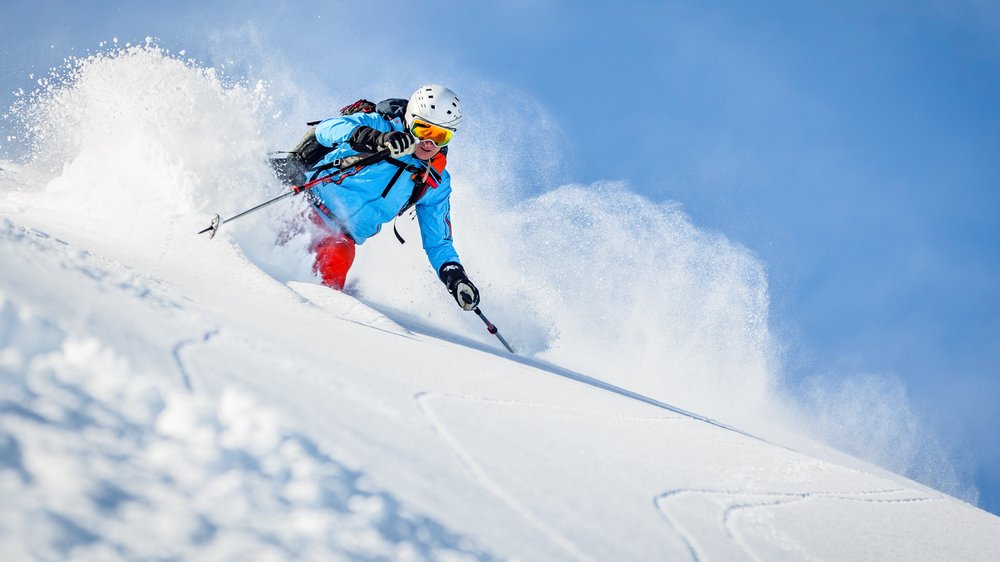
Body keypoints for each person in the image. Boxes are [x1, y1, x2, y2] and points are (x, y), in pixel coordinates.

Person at [275, 85, 480, 311]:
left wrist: (456, 277)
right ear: (410, 120)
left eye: (441, 136)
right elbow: (326, 129)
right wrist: (374, 138)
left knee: (333, 268)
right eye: (423, 130)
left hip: (340, 237)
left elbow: (438, 242)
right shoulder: (381, 125)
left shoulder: (434, 182)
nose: (429, 143)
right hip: (305, 203)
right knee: (273, 242)